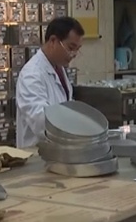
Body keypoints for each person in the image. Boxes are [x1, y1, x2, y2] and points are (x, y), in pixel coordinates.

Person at [15, 17, 84, 148]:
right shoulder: (32, 74)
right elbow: (41, 121)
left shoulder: (59, 68)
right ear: (53, 41)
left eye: (77, 49)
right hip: (37, 154)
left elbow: (65, 106)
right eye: (71, 48)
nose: (74, 54)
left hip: (59, 151)